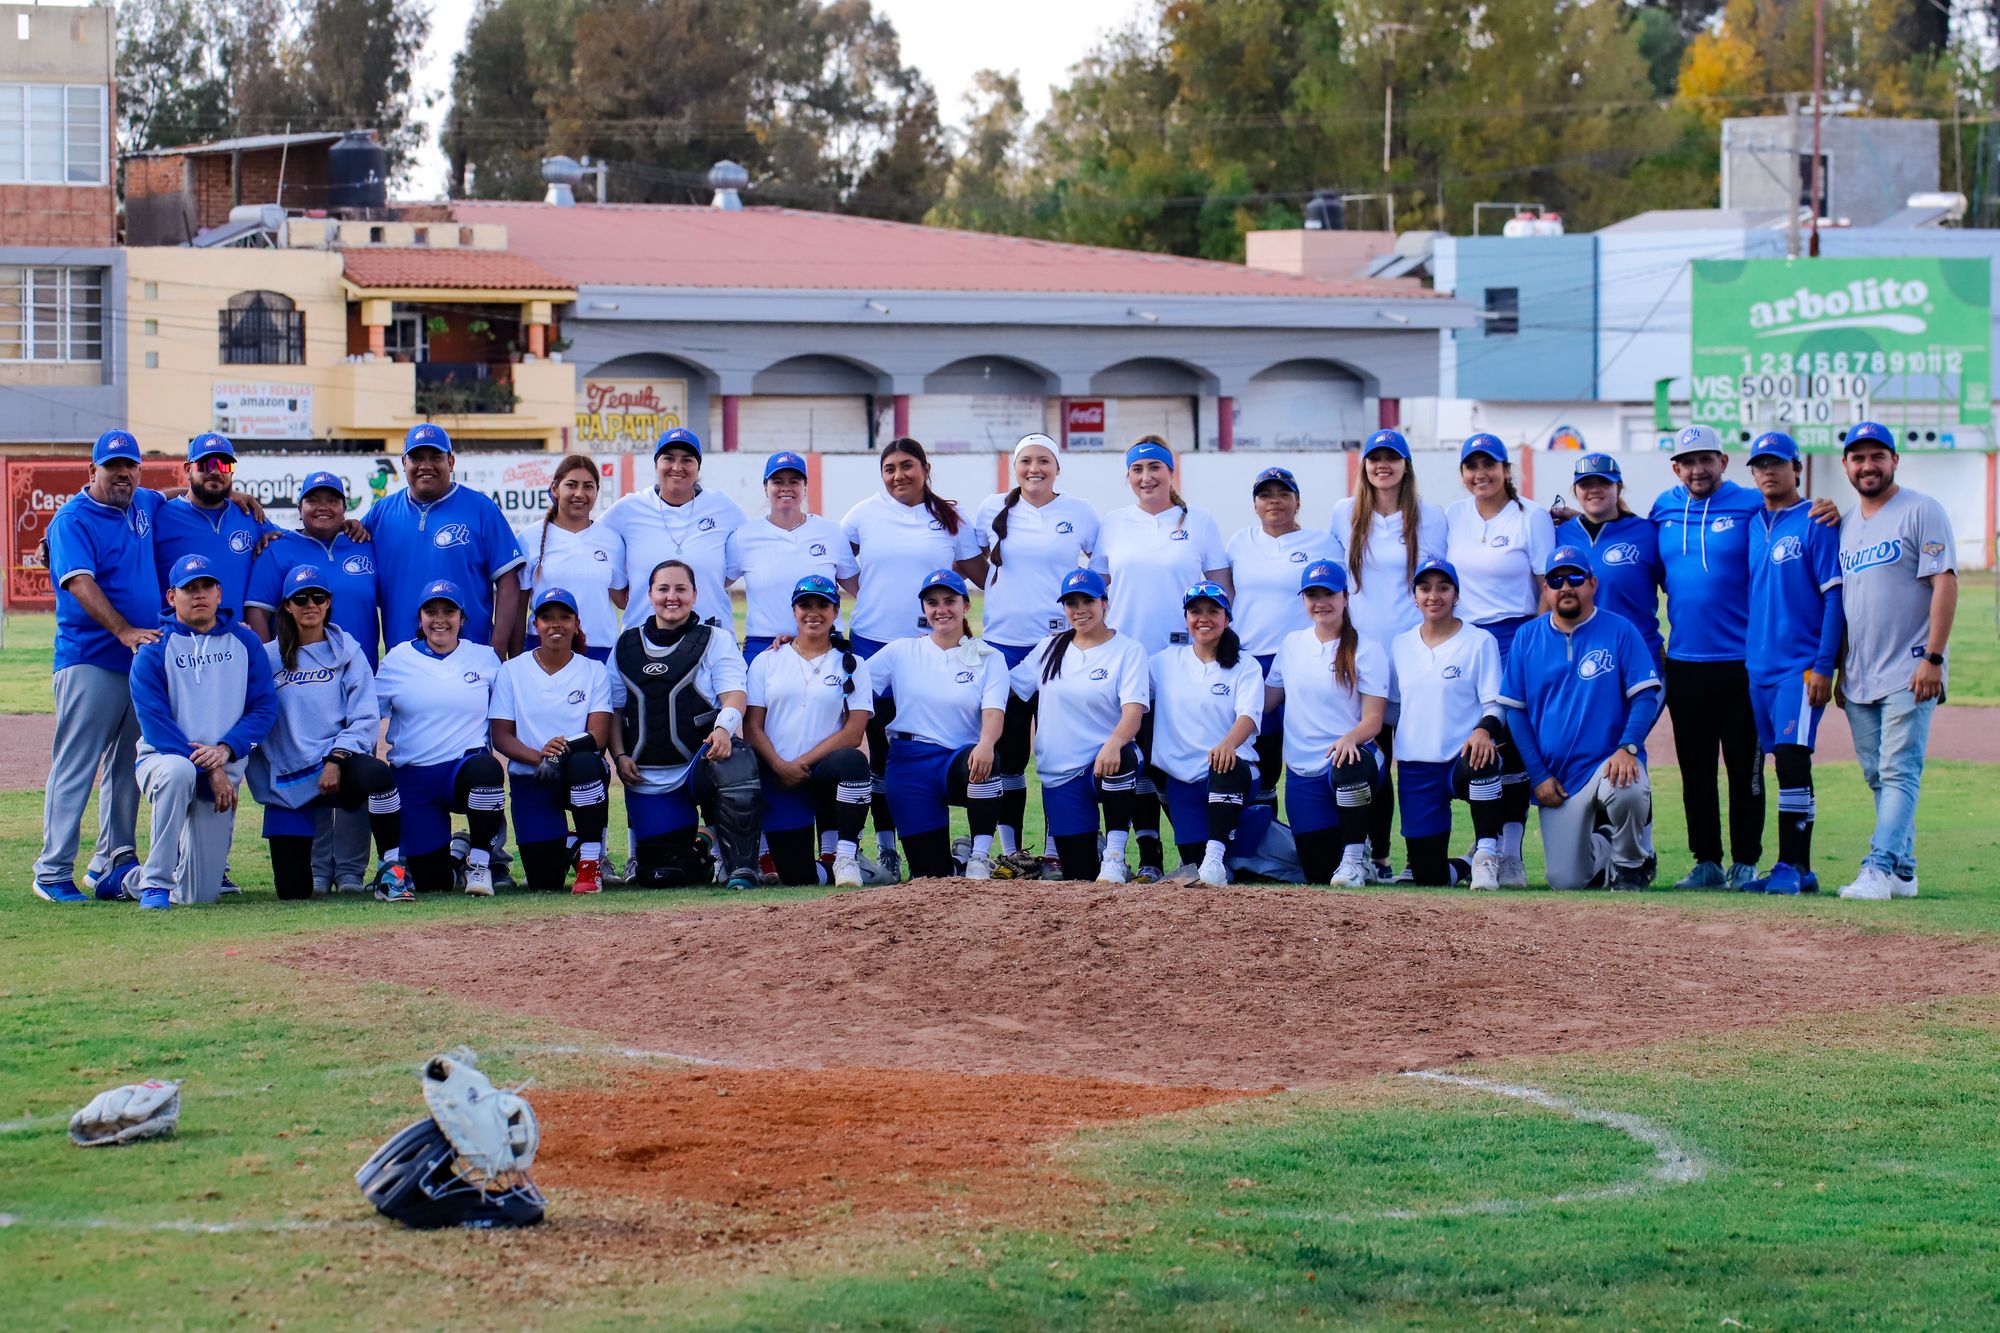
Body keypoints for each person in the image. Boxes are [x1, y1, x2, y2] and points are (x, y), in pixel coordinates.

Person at [840, 438, 985, 879]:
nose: (898, 475)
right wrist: (876, 600)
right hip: (871, 643)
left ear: (926, 467)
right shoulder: (862, 514)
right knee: (876, 754)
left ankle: (972, 846)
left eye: (907, 466)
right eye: (889, 468)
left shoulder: (950, 519)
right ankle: (885, 849)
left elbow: (984, 574)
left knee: (928, 742)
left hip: (931, 649)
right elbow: (839, 570)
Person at [33, 430, 166, 903]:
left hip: (137, 663)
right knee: (76, 764)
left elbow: (169, 495)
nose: (123, 473)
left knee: (128, 765)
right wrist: (124, 630)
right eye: (113, 467)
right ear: (93, 472)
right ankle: (51, 871)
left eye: (130, 465)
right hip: (90, 658)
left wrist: (236, 496)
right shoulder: (72, 519)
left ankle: (113, 860)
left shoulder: (142, 503)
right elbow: (80, 582)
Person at [1090, 438, 1230, 881]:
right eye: (1137, 470)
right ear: (1128, 476)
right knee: (1135, 756)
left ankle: (1200, 849)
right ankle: (1148, 852)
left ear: (1172, 473)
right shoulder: (1114, 523)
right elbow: (1097, 592)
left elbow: (1224, 591)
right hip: (1127, 659)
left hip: (1181, 660)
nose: (1146, 477)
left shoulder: (1199, 522)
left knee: (1170, 757)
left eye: (1155, 468)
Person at [1831, 421, 1958, 901]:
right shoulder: (1845, 523)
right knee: (1877, 774)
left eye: (1876, 456)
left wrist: (1934, 657)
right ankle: (1904, 870)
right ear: (1846, 465)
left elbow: (1944, 582)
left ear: (1894, 461)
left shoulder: (1922, 510)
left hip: (1911, 668)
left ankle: (1879, 867)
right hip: (1861, 672)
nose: (1867, 466)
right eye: (1858, 458)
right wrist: (1842, 667)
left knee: (1900, 770)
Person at [244, 469, 384, 895]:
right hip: (294, 678)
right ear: (300, 507)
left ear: (346, 507)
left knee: (356, 777)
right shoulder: (279, 547)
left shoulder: (364, 542)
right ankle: (320, 869)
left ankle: (351, 872)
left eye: (333, 500)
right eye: (313, 500)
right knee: (310, 773)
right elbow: (256, 611)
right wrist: (279, 671)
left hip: (350, 672)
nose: (323, 507)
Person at [1499, 546, 1663, 892]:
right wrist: (1539, 775)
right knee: (1566, 881)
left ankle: (1632, 863)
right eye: (1556, 580)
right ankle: (1606, 844)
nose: (1565, 586)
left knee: (1629, 789)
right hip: (1558, 777)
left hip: (1609, 762)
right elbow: (1516, 711)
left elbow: (1645, 696)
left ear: (1592, 583)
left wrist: (1627, 747)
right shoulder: (1528, 637)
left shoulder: (1620, 630)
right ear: (1546, 590)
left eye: (1575, 577)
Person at [974, 434, 1101, 876]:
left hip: (1059, 647)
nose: (1035, 468)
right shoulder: (992, 509)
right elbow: (973, 563)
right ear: (1015, 466)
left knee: (1057, 749)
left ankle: (1054, 847)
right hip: (1003, 647)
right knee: (1009, 754)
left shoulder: (1080, 512)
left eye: (1044, 461)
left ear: (1057, 467)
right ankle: (1012, 849)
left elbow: (1100, 572)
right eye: (1026, 461)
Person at [1327, 427, 1448, 882]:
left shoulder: (1430, 517)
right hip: (1363, 653)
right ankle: (1376, 855)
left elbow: (1447, 578)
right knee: (1370, 758)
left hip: (1415, 651)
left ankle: (1421, 853)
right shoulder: (1345, 513)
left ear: (1406, 465)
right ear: (1365, 466)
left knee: (1412, 755)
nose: (1383, 465)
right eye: (1375, 458)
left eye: (1392, 458)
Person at [1649, 423, 1765, 891]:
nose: (1697, 469)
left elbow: (1794, 516)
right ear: (1676, 468)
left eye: (1706, 459)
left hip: (1741, 662)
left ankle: (1746, 862)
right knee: (1695, 769)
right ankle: (1707, 861)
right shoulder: (1664, 508)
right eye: (1687, 462)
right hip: (1685, 662)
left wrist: (1826, 508)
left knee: (1744, 768)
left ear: (1723, 461)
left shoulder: (1750, 504)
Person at [246, 566, 405, 902]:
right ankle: (315, 871)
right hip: (287, 777)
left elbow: (364, 716)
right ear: (287, 605)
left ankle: (392, 869)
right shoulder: (267, 657)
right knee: (293, 892)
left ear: (328, 602)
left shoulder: (348, 651)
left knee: (378, 775)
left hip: (338, 764)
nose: (310, 604)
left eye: (318, 597)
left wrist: (336, 758)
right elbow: (254, 714)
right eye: (300, 598)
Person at [128, 554, 277, 908]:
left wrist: (225, 752)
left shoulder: (246, 642)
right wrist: (209, 768)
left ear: (219, 593)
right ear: (171, 597)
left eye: (206, 586)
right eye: (189, 588)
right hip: (164, 763)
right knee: (178, 772)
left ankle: (125, 880)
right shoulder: (153, 650)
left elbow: (264, 707)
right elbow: (156, 727)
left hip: (221, 770)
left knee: (199, 895)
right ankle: (155, 885)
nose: (199, 595)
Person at [607, 560, 762, 891]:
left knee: (737, 757)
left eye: (681, 589)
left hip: (701, 764)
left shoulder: (715, 639)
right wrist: (620, 757)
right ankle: (704, 846)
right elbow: (615, 711)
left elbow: (735, 693)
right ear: (649, 594)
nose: (671, 597)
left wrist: (723, 728)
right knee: (661, 876)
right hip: (651, 775)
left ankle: (742, 867)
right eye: (663, 589)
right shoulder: (626, 645)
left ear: (694, 594)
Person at [1737, 431, 1843, 898]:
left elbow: (1835, 597)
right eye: (1760, 465)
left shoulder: (1816, 521)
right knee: (1781, 759)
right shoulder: (1753, 523)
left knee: (1794, 759)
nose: (1767, 472)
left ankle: (1790, 865)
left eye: (1777, 463)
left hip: (1799, 666)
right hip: (1758, 666)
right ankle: (1801, 870)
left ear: (1796, 468)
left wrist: (1824, 665)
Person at [1442, 433, 1549, 880]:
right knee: (1477, 740)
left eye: (1489, 465)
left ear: (1507, 469)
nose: (1480, 474)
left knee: (1512, 742)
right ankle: (1485, 842)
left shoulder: (1532, 516)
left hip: (1516, 634)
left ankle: (1511, 850)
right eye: (1472, 466)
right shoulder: (1454, 515)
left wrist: (1530, 644)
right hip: (1466, 638)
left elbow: (1546, 585)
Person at [1007, 567, 1148, 883]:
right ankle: (1095, 852)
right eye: (1072, 603)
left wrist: (1113, 743)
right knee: (1078, 874)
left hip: (1105, 761)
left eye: (1088, 600)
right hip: (1061, 772)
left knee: (1124, 758)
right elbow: (1011, 687)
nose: (1080, 609)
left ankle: (1114, 856)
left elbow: (1134, 711)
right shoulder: (1050, 647)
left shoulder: (1127, 650)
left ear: (1104, 603)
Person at [866, 568, 1008, 879]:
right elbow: (853, 681)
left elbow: (994, 712)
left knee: (988, 759)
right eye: (932, 603)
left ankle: (979, 857)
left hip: (960, 760)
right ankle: (957, 860)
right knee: (929, 876)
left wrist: (986, 744)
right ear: (924, 609)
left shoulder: (989, 657)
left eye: (949, 601)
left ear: (965, 605)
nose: (941, 610)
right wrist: (801, 646)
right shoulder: (902, 650)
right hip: (910, 760)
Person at [372, 579, 508, 896]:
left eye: (449, 611)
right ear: (420, 618)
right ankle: (458, 852)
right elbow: (370, 715)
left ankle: (479, 863)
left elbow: (506, 718)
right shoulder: (397, 659)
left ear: (462, 618)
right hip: (414, 777)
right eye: (430, 611)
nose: (440, 619)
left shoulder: (485, 658)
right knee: (433, 884)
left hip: (463, 770)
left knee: (487, 769)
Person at [742, 575, 875, 887]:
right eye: (805, 604)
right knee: (797, 878)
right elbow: (752, 726)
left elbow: (854, 732)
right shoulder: (767, 660)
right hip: (779, 775)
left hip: (824, 772)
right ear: (794, 610)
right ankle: (825, 867)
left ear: (835, 611)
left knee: (853, 762)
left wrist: (800, 762)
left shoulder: (851, 663)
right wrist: (779, 765)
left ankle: (845, 856)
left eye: (822, 605)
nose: (813, 612)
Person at [1389, 558, 1511, 889]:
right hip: (1417, 764)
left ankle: (1487, 854)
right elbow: (1391, 708)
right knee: (1429, 878)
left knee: (1483, 756)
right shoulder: (1400, 645)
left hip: (1463, 757)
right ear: (1413, 596)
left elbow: (1494, 703)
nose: (1434, 596)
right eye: (1425, 588)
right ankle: (1468, 863)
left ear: (1456, 594)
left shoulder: (1478, 641)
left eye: (1443, 588)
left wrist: (1483, 730)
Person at [1264, 561, 1386, 888]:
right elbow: (1267, 701)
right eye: (1312, 595)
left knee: (1352, 763)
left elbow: (1374, 720)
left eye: (1329, 593)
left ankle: (1355, 857)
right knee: (1318, 873)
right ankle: (1350, 855)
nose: (1321, 602)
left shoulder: (1368, 649)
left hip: (1348, 761)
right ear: (1303, 601)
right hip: (1303, 770)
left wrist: (1350, 739)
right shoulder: (1291, 645)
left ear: (1345, 597)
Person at [1227, 466, 1341, 812]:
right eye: (1265, 494)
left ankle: (1336, 837)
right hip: (1253, 661)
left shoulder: (1323, 543)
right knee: (1258, 758)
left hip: (1305, 659)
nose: (1273, 501)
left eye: (1282, 494)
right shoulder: (1239, 543)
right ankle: (1264, 842)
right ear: (1255, 504)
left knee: (1313, 751)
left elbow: (1339, 598)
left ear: (1298, 501)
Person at [490, 589, 615, 894]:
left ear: (576, 624)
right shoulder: (512, 670)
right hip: (533, 776)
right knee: (544, 881)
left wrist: (559, 753)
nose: (555, 624)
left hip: (578, 774)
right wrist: (540, 758)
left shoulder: (593, 670)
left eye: (564, 617)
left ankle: (589, 862)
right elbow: (501, 735)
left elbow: (598, 736)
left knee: (587, 762)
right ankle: (572, 843)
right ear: (536, 624)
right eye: (547, 618)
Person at [365, 423, 527, 653]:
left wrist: (498, 646)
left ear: (450, 462)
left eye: (435, 457)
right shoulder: (381, 513)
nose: (425, 465)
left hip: (470, 654)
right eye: (417, 457)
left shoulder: (481, 509)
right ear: (404, 463)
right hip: (402, 658)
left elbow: (508, 579)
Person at [1147, 581, 1263, 886]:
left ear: (1227, 618)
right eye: (1195, 611)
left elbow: (1248, 715)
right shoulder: (1163, 662)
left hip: (1230, 771)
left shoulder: (1245, 665)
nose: (1204, 618)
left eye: (1214, 610)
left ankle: (1217, 857)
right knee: (1193, 866)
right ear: (1185, 618)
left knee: (1209, 864)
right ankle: (1225, 855)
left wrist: (1227, 744)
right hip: (1183, 781)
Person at [602, 427, 746, 635]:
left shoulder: (723, 507)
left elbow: (740, 563)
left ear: (698, 467)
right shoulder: (628, 508)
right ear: (656, 464)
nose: (677, 467)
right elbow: (594, 543)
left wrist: (709, 578)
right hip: (643, 643)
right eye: (668, 458)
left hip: (712, 640)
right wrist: (618, 589)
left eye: (687, 460)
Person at [727, 450, 858, 663]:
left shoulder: (832, 533)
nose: (785, 487)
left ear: (804, 487)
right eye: (777, 481)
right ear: (765, 488)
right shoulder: (744, 537)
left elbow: (860, 589)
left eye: (794, 481)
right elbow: (715, 583)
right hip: (765, 646)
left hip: (824, 644)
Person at [1555, 453, 1664, 669]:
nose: (1594, 489)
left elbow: (1677, 588)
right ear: (1575, 491)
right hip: (1581, 659)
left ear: (1619, 488)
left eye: (1604, 482)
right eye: (1586, 483)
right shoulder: (1559, 535)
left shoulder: (1648, 533)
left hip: (1638, 656)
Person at [516, 454, 626, 662]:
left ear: (597, 491)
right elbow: (519, 607)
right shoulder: (529, 538)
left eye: (588, 486)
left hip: (600, 651)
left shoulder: (611, 540)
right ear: (555, 489)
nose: (579, 493)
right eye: (571, 485)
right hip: (543, 648)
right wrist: (515, 657)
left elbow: (623, 600)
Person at [152, 432, 272, 620]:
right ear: (188, 469)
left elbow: (293, 544)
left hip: (236, 642)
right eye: (206, 464)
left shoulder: (248, 514)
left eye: (224, 465)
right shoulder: (160, 517)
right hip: (181, 643)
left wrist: (274, 536)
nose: (215, 471)